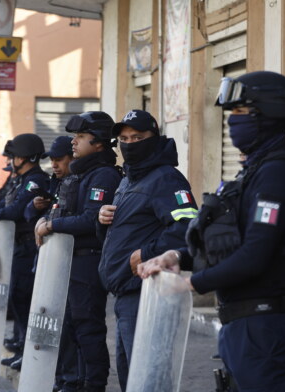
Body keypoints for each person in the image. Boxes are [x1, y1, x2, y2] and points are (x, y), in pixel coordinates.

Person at [139, 71, 285, 392]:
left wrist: (191, 283)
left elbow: (255, 255)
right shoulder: (256, 171)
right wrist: (179, 257)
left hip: (261, 325)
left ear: (267, 114)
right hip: (244, 325)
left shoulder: (279, 174)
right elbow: (233, 245)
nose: (232, 122)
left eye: (240, 112)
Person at [97, 109, 197, 391]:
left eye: (137, 137)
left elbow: (188, 226)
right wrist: (102, 218)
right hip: (124, 294)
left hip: (147, 291)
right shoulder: (129, 178)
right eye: (124, 138)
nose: (129, 143)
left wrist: (147, 252)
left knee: (148, 378)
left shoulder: (167, 178)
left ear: (154, 138)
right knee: (130, 374)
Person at [36, 113, 123, 392]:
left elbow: (89, 218)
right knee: (71, 327)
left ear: (97, 143)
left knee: (88, 329)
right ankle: (73, 382)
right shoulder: (81, 173)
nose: (74, 142)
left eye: (81, 138)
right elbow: (63, 208)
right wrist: (45, 219)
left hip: (89, 259)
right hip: (69, 260)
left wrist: (51, 225)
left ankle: (93, 385)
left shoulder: (104, 175)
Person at [0, 133, 49, 370]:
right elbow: (6, 204)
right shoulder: (22, 179)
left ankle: (28, 352)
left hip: (28, 247)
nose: (12, 159)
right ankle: (21, 347)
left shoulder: (35, 180)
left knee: (23, 297)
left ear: (26, 157)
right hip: (19, 245)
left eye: (15, 156)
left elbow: (16, 211)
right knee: (18, 297)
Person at [23, 135, 82, 390]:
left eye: (60, 160)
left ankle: (71, 379)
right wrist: (36, 209)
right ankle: (58, 376)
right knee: (51, 324)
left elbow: (82, 220)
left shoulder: (79, 183)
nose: (55, 165)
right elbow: (27, 213)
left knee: (69, 327)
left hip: (72, 263)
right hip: (48, 263)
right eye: (53, 161)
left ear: (72, 158)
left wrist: (49, 222)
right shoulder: (54, 183)